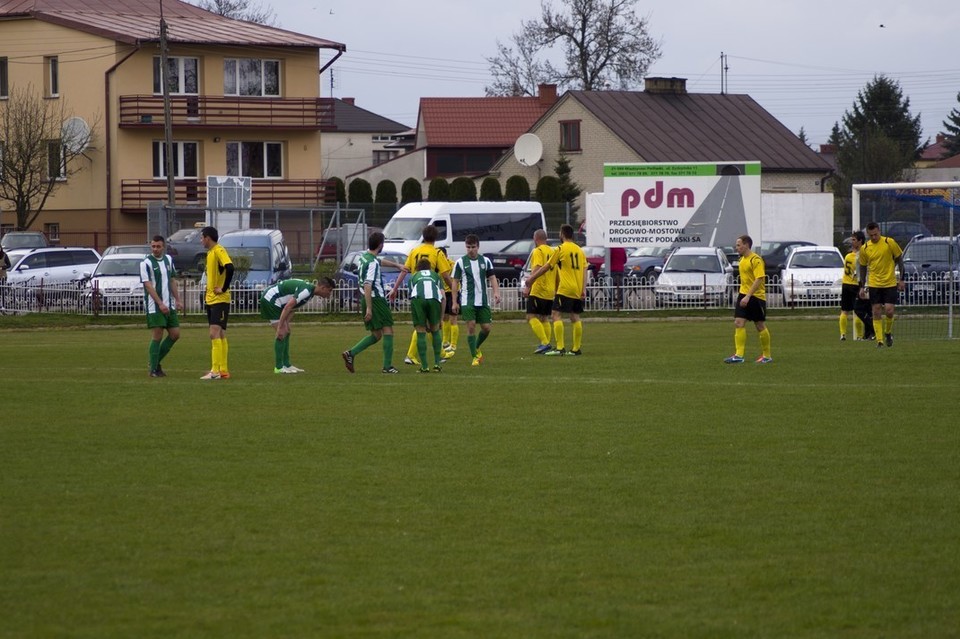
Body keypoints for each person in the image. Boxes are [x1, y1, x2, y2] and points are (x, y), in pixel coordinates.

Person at [389, 224, 453, 366]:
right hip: (432, 293)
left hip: (417, 293)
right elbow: (445, 275)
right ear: (436, 238)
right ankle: (427, 356)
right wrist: (454, 290)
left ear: (423, 237)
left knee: (421, 325)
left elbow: (404, 270)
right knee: (433, 326)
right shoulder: (437, 253)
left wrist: (394, 289)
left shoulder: (414, 251)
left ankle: (417, 355)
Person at [342, 231, 402, 374]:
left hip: (366, 298)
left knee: (376, 334)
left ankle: (351, 353)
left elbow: (379, 261)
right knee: (388, 330)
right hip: (375, 300)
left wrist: (397, 266)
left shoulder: (364, 257)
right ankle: (387, 367)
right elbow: (368, 284)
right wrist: (370, 308)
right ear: (380, 245)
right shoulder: (372, 263)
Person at [523, 223, 586, 356]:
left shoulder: (559, 249)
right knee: (575, 316)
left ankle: (559, 347)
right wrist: (583, 289)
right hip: (576, 287)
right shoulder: (580, 251)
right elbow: (585, 269)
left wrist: (530, 280)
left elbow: (545, 267)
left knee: (555, 315)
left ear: (562, 234)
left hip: (563, 288)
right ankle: (576, 349)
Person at [260, 277, 335, 374]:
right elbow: (288, 306)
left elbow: (293, 308)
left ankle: (287, 365)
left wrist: (286, 324)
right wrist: (280, 327)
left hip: (278, 302)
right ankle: (278, 368)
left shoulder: (310, 293)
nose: (330, 294)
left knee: (287, 331)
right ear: (323, 288)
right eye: (329, 291)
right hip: (271, 300)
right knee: (282, 332)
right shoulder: (306, 291)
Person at [450, 234, 500, 366]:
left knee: (486, 328)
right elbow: (455, 282)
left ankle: (476, 347)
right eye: (468, 247)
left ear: (478, 247)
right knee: (471, 326)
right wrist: (455, 302)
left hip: (483, 300)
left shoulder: (486, 261)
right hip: (467, 301)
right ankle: (475, 357)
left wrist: (496, 292)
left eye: (473, 247)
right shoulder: (460, 262)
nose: (470, 250)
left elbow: (492, 278)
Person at [725, 234, 772, 364]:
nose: (737, 247)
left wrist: (748, 296)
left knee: (760, 325)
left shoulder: (756, 260)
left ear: (746, 245)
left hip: (756, 297)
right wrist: (743, 295)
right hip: (743, 294)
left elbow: (759, 279)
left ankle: (767, 356)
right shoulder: (742, 260)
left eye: (739, 245)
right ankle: (739, 355)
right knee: (738, 322)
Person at [140, 235, 183, 377]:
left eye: (158, 246)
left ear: (163, 247)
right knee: (157, 336)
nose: (155, 249)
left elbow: (171, 280)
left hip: (169, 304)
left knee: (175, 334)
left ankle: (154, 362)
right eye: (153, 246)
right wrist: (160, 303)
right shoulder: (145, 263)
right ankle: (153, 369)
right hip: (155, 306)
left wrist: (177, 300)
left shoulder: (168, 260)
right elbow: (148, 286)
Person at [859, 221, 905, 348]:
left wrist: (901, 279)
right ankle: (879, 341)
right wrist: (862, 286)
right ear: (868, 235)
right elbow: (862, 267)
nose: (874, 237)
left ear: (879, 231)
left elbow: (899, 260)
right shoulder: (865, 248)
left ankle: (888, 333)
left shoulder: (889, 242)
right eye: (871, 235)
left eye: (875, 234)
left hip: (890, 282)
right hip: (874, 283)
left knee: (889, 311)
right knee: (876, 311)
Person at [200, 226, 234, 380]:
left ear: (207, 238)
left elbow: (230, 267)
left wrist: (224, 287)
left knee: (213, 333)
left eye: (202, 237)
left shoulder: (219, 250)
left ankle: (214, 371)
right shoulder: (210, 253)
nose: (201, 240)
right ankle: (223, 370)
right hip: (212, 299)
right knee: (219, 333)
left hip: (220, 299)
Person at [408, 257, 446, 372]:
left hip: (418, 299)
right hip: (434, 299)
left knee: (420, 332)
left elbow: (412, 295)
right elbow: (443, 297)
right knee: (435, 330)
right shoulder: (436, 275)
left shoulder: (413, 277)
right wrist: (440, 319)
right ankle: (437, 364)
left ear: (417, 268)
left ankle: (424, 367)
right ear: (430, 268)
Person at [525, 229, 557, 354]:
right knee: (544, 318)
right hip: (550, 290)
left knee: (530, 316)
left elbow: (537, 268)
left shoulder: (537, 251)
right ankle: (546, 344)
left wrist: (529, 286)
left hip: (539, 288)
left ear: (535, 238)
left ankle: (545, 342)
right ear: (546, 238)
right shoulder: (553, 251)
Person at [840, 231, 874, 341]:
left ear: (860, 241)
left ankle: (846, 334)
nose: (852, 242)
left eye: (854, 240)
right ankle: (862, 335)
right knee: (859, 310)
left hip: (850, 284)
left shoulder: (849, 256)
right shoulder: (858, 256)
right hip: (854, 285)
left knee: (850, 310)